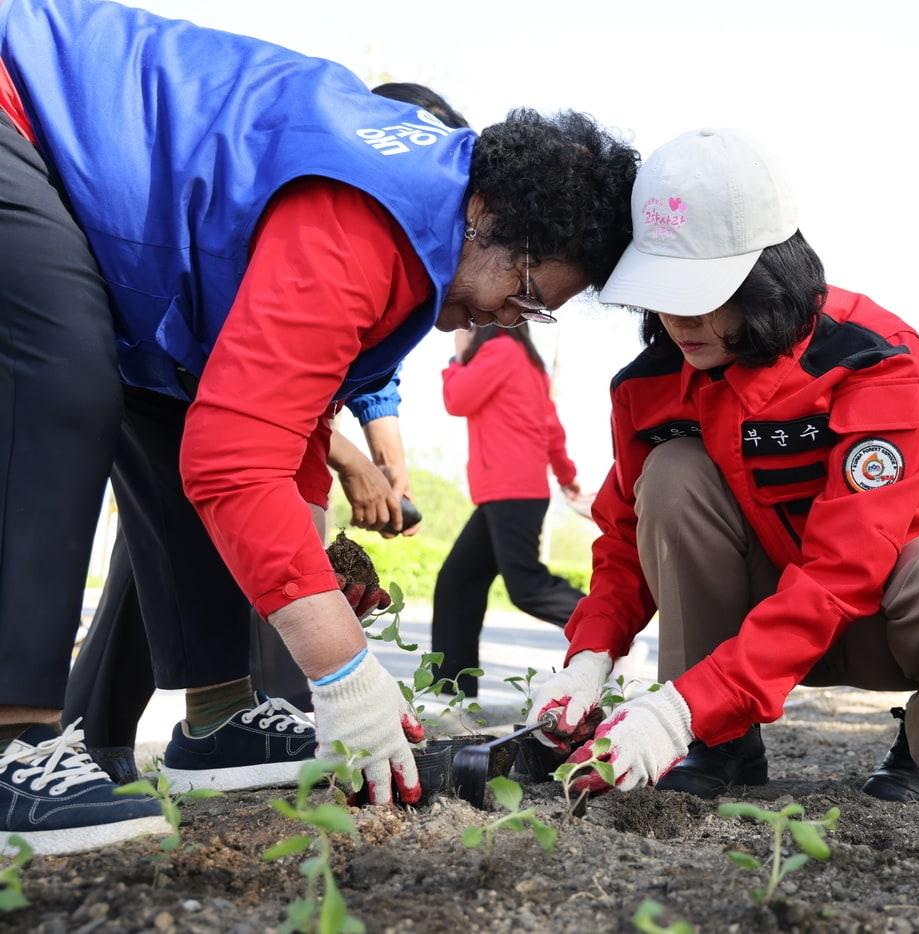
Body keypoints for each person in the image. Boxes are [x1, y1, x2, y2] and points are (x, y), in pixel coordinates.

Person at [0, 0, 637, 854]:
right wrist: (344, 674)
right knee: (62, 372)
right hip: (21, 109)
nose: (503, 319)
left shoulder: (425, 243)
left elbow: (281, 433)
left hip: (116, 240)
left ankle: (220, 717)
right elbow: (235, 464)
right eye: (521, 291)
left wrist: (319, 592)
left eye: (534, 314)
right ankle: (14, 739)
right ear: (488, 214)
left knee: (172, 407)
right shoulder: (369, 217)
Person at [521, 128, 919, 804]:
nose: (678, 319)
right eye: (661, 292)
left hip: (883, 620)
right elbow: (624, 541)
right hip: (750, 612)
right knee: (669, 475)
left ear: (765, 277)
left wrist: (677, 708)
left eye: (702, 293)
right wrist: (588, 661)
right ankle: (720, 743)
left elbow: (848, 569)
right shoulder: (649, 384)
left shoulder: (873, 359)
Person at [59, 82, 466, 788]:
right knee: (188, 526)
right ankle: (90, 740)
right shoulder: (331, 213)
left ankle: (166, 733)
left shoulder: (401, 266)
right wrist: (351, 469)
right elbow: (258, 401)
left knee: (177, 541)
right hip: (169, 357)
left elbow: (352, 385)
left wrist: (380, 468)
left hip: (207, 395)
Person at [432, 323, 585, 696]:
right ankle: (452, 690)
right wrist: (566, 475)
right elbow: (550, 425)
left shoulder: (498, 351)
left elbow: (458, 399)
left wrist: (456, 355)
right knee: (458, 582)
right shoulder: (527, 361)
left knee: (526, 586)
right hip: (509, 492)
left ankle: (611, 629)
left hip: (510, 490)